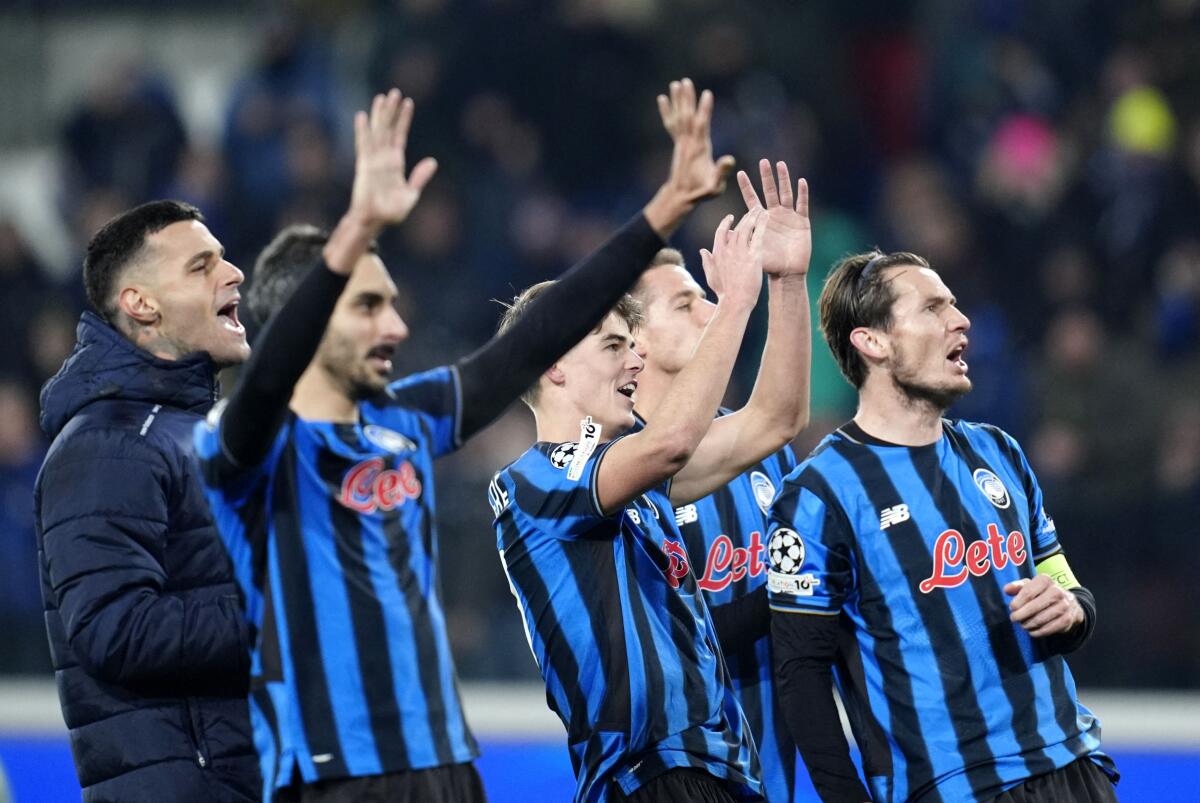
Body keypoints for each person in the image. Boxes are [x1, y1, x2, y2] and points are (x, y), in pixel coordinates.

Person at [195, 79, 732, 802]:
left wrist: (663, 212)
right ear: (311, 313)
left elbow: (539, 333)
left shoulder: (406, 421)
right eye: (369, 305)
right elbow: (264, 383)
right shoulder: (244, 448)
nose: (395, 326)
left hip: (443, 760)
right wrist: (353, 231)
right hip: (326, 770)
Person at [767, 250, 1120, 802]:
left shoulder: (998, 451)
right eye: (933, 308)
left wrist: (1072, 608)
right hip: (950, 786)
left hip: (1071, 766)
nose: (961, 320)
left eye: (954, 304)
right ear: (873, 342)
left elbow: (1065, 586)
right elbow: (801, 679)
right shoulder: (817, 495)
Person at [35, 198, 258, 801]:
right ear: (140, 304)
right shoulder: (108, 443)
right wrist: (278, 609)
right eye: (200, 266)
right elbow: (115, 628)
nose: (233, 273)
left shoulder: (185, 431)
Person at [628, 159, 813, 802]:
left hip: (782, 765)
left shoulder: (753, 443)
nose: (708, 309)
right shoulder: (611, 469)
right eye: (685, 302)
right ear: (632, 343)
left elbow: (782, 418)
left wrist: (789, 282)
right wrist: (803, 605)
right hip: (678, 775)